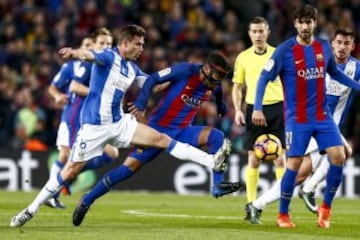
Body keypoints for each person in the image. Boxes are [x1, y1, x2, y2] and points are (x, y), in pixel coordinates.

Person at [10, 24, 230, 228]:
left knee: (162, 139)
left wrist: (172, 84)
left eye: (143, 45)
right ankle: (31, 209)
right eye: (138, 44)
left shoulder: (132, 68)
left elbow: (151, 83)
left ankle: (211, 161)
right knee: (69, 172)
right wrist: (75, 53)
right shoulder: (108, 57)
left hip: (119, 123)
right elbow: (89, 55)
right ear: (125, 44)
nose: (142, 49)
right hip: (94, 128)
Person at [71, 51, 244, 226]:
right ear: (206, 68)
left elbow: (219, 93)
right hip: (156, 131)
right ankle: (87, 200)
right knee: (127, 169)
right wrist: (141, 102)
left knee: (217, 137)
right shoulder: (185, 70)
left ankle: (217, 185)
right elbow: (152, 78)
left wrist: (221, 105)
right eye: (215, 76)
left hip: (183, 131)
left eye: (220, 78)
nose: (216, 82)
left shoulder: (214, 84)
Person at [251, 5, 360, 228]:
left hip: (323, 117)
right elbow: (263, 78)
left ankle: (325, 211)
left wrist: (356, 85)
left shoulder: (322, 47)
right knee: (294, 165)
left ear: (314, 23)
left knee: (339, 156)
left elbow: (334, 72)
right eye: (301, 22)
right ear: (295, 24)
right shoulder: (284, 50)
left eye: (309, 22)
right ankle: (282, 215)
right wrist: (257, 107)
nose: (305, 26)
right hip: (298, 119)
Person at [46, 28, 118, 208]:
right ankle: (51, 191)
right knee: (66, 154)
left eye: (108, 44)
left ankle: (65, 179)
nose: (105, 47)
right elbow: (70, 87)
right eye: (100, 43)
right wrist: (56, 96)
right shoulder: (76, 66)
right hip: (74, 115)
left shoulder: (105, 64)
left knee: (112, 153)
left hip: (91, 119)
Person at [231, 16, 286, 220]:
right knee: (253, 158)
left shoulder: (278, 54)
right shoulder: (243, 57)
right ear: (249, 34)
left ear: (268, 33)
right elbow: (237, 87)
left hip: (277, 108)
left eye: (261, 31)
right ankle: (251, 204)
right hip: (253, 109)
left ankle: (283, 208)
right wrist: (237, 109)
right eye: (254, 31)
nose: (257, 35)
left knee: (280, 159)